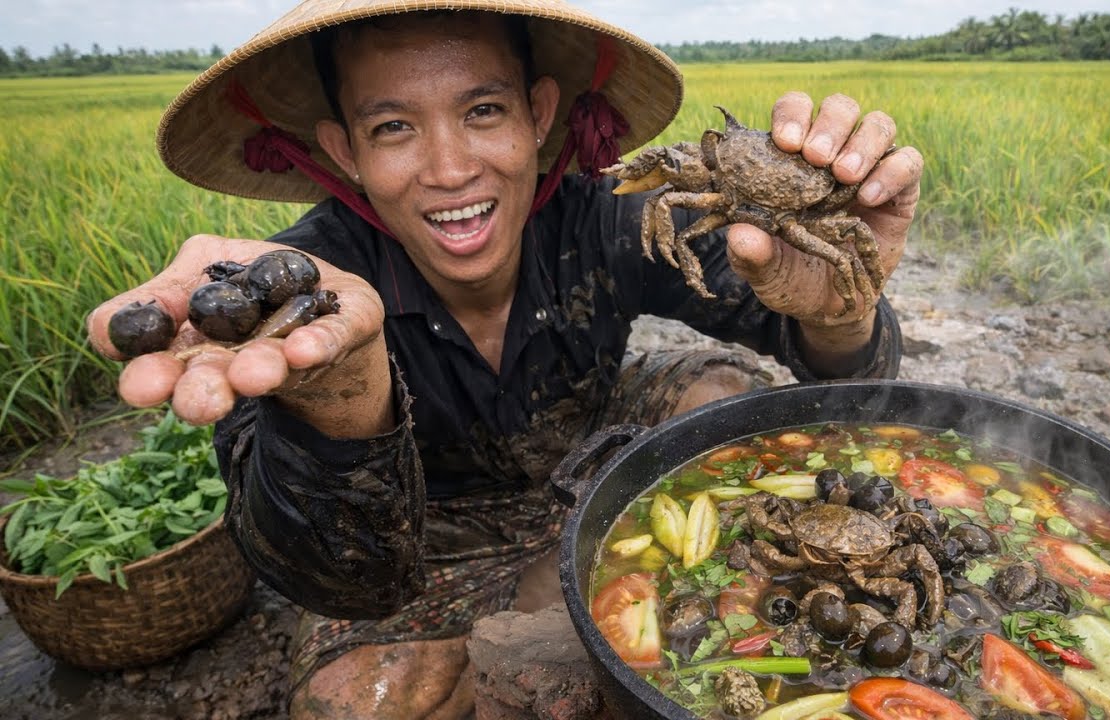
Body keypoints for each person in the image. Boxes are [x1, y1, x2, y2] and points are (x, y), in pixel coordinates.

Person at [86, 0, 924, 716]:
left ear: (539, 114)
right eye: (393, 128)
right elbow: (338, 584)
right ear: (344, 152)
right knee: (354, 698)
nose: (451, 169)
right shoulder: (302, 297)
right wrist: (342, 399)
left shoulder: (606, 212)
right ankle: (556, 588)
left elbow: (833, 361)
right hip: (427, 537)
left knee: (726, 398)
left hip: (600, 457)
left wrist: (841, 311)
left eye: (483, 111)